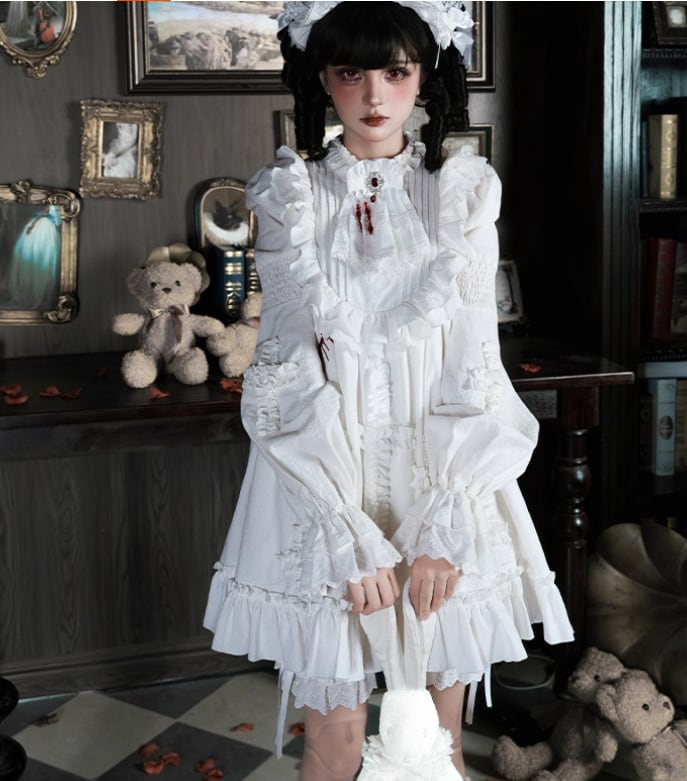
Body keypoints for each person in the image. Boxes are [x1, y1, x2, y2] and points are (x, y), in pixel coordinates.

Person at [203, 3, 574, 780]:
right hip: (321, 481)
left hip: (437, 476)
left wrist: (445, 521)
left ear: (423, 78)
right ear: (322, 79)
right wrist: (343, 526)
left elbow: (474, 362)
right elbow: (282, 370)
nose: (374, 94)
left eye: (395, 72)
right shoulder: (289, 195)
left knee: (433, 738)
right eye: (351, 72)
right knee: (332, 741)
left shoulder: (461, 193)